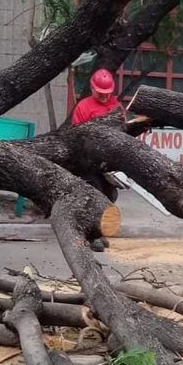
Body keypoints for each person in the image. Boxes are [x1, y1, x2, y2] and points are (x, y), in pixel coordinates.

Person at [71, 69, 126, 252]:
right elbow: (77, 136)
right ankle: (92, 235)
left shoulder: (115, 106)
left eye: (107, 93)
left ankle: (100, 230)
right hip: (89, 161)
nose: (104, 97)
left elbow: (123, 129)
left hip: (110, 161)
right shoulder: (83, 107)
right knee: (95, 194)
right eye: (101, 94)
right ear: (93, 89)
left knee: (110, 196)